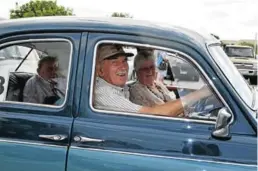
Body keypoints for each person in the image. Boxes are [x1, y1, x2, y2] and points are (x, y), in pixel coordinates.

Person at [93, 44, 212, 117]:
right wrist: (200, 93)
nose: (123, 67)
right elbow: (154, 113)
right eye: (115, 62)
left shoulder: (120, 87)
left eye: (124, 61)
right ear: (100, 70)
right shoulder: (104, 93)